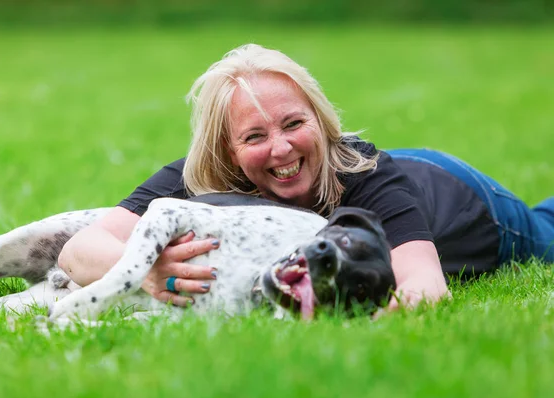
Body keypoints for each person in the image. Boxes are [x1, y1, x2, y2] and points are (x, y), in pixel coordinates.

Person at [58, 44, 554, 311]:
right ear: (227, 150)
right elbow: (78, 250)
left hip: (463, 199)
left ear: (321, 119)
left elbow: (426, 284)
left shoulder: (369, 175)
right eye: (255, 136)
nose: (281, 148)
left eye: (294, 123)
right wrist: (147, 270)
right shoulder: (199, 174)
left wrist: (367, 322)